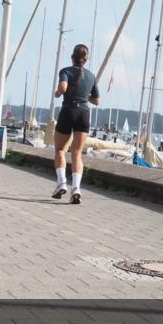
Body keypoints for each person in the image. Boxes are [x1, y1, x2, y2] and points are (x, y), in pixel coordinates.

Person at [51, 44, 100, 204]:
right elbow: (97, 100)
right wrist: (85, 96)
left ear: (72, 57)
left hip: (69, 110)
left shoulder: (65, 71)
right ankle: (76, 188)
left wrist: (58, 93)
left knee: (60, 150)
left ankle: (61, 183)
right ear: (85, 60)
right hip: (84, 114)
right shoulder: (91, 76)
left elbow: (63, 87)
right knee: (77, 153)